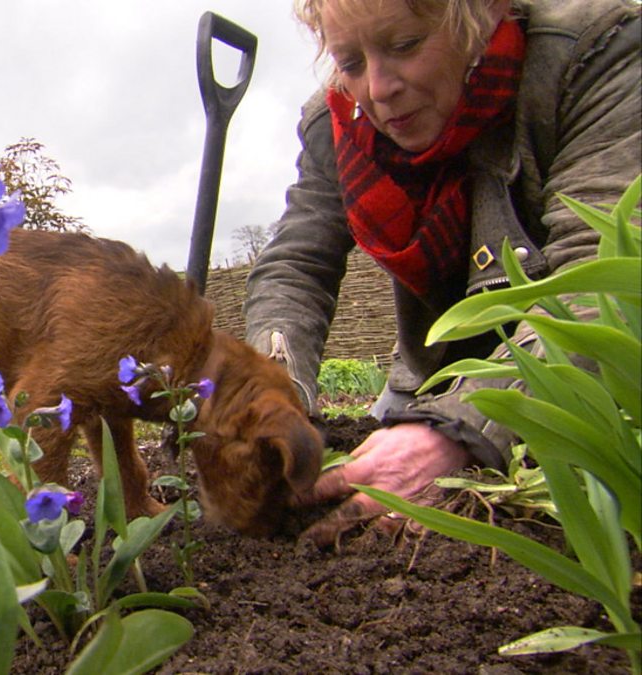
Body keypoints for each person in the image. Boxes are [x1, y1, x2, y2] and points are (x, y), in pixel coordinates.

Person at [243, 0, 641, 546]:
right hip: (427, 383)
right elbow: (296, 265)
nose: (378, 89)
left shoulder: (595, 52)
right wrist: (273, 390)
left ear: (480, 16)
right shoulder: (339, 123)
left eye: (404, 46)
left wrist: (458, 428)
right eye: (351, 61)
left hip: (590, 379)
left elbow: (603, 280)